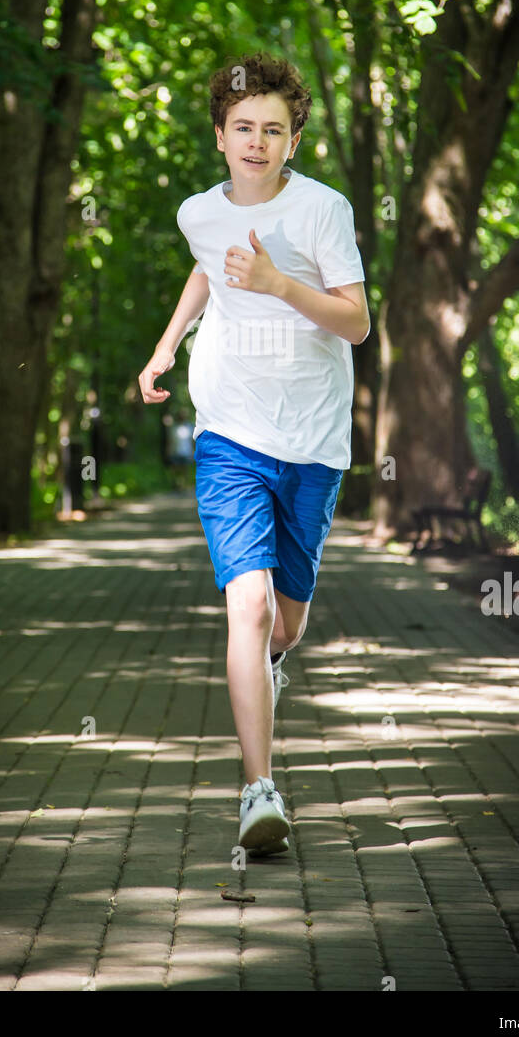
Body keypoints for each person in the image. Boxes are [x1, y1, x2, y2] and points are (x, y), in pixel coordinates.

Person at [138, 51, 369, 857]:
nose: (257, 142)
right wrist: (167, 345)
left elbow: (356, 324)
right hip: (230, 428)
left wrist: (277, 285)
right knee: (250, 605)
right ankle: (257, 790)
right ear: (220, 136)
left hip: (312, 439)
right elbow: (206, 274)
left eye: (274, 130)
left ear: (293, 141)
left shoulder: (323, 212)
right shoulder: (198, 212)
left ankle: (267, 673)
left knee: (287, 623)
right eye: (244, 128)